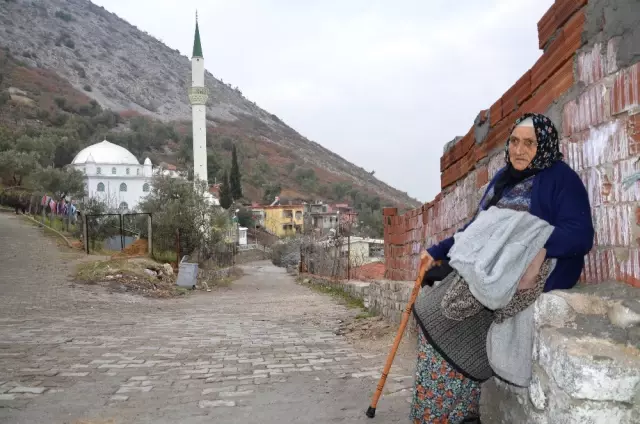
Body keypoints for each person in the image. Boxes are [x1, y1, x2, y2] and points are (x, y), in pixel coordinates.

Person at [410, 113, 594, 424]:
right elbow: (475, 229)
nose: (519, 150)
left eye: (529, 144)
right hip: (489, 266)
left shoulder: (561, 179)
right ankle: (455, 412)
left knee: (443, 318)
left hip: (525, 272)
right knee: (429, 307)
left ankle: (449, 413)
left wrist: (539, 249)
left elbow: (581, 234)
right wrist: (436, 252)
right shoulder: (502, 180)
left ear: (545, 146)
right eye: (514, 142)